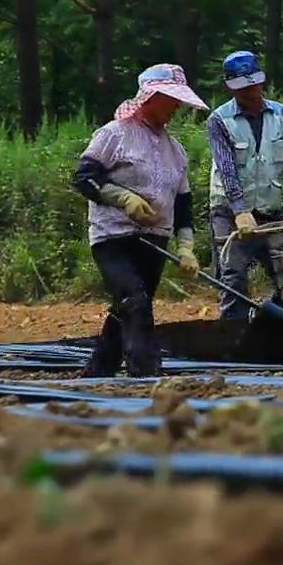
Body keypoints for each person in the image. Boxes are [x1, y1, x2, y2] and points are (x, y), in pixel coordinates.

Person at [70, 63, 208, 377]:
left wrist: (186, 248)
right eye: (172, 100)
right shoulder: (113, 135)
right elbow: (83, 178)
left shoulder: (177, 151)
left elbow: (183, 204)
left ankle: (98, 372)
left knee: (127, 308)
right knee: (135, 300)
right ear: (152, 96)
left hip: (155, 240)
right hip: (114, 237)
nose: (176, 107)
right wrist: (123, 198)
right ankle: (146, 375)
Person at [207, 50, 283, 319]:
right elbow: (227, 168)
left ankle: (266, 322)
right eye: (243, 87)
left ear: (261, 82)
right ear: (231, 87)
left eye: (254, 85)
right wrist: (240, 210)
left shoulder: (281, 114)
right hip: (230, 213)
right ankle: (234, 341)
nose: (251, 92)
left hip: (271, 209)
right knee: (233, 280)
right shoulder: (219, 120)